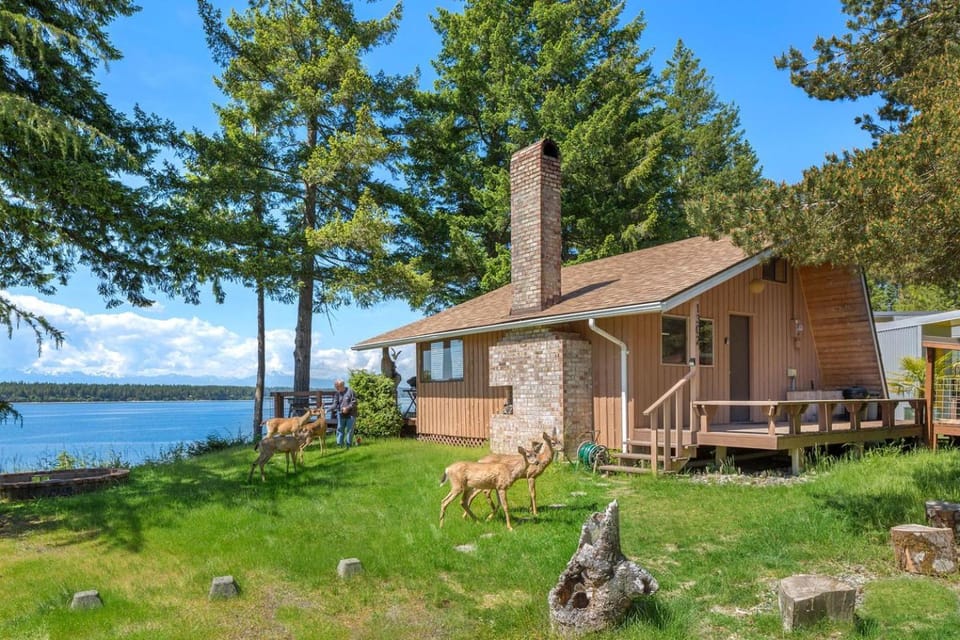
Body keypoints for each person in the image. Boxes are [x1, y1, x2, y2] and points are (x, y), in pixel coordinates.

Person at [331, 379, 357, 448]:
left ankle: (348, 445)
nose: (336, 388)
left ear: (342, 385)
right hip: (340, 414)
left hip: (351, 414)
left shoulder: (350, 391)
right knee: (340, 429)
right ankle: (339, 445)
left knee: (349, 430)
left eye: (337, 386)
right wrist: (327, 409)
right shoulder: (337, 393)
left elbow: (354, 402)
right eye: (335, 386)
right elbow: (335, 404)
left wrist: (347, 408)